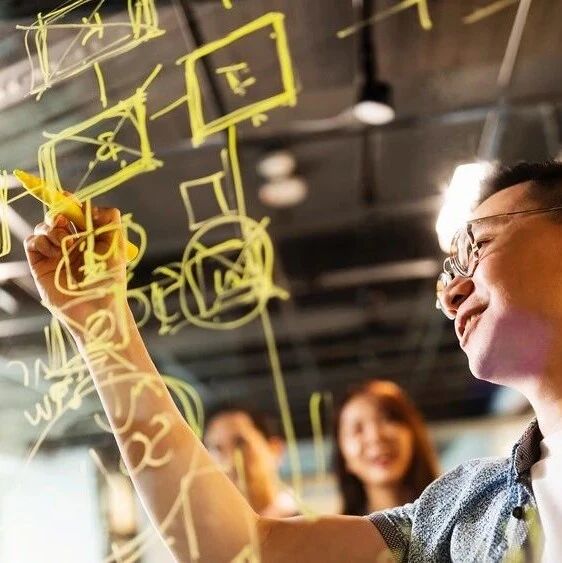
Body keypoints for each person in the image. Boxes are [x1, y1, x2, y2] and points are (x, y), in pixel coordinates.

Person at [25, 160, 562, 561]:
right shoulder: (467, 511)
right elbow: (245, 549)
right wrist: (102, 320)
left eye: (478, 246)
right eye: (448, 271)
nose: (450, 294)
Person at [334, 380, 439, 515]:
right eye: (357, 429)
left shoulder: (456, 517)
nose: (375, 436)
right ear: (343, 457)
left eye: (388, 419)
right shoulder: (336, 528)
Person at [203, 405, 299, 517]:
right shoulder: (201, 524)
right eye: (217, 449)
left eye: (240, 444)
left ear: (275, 449)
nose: (230, 461)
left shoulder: (307, 524)